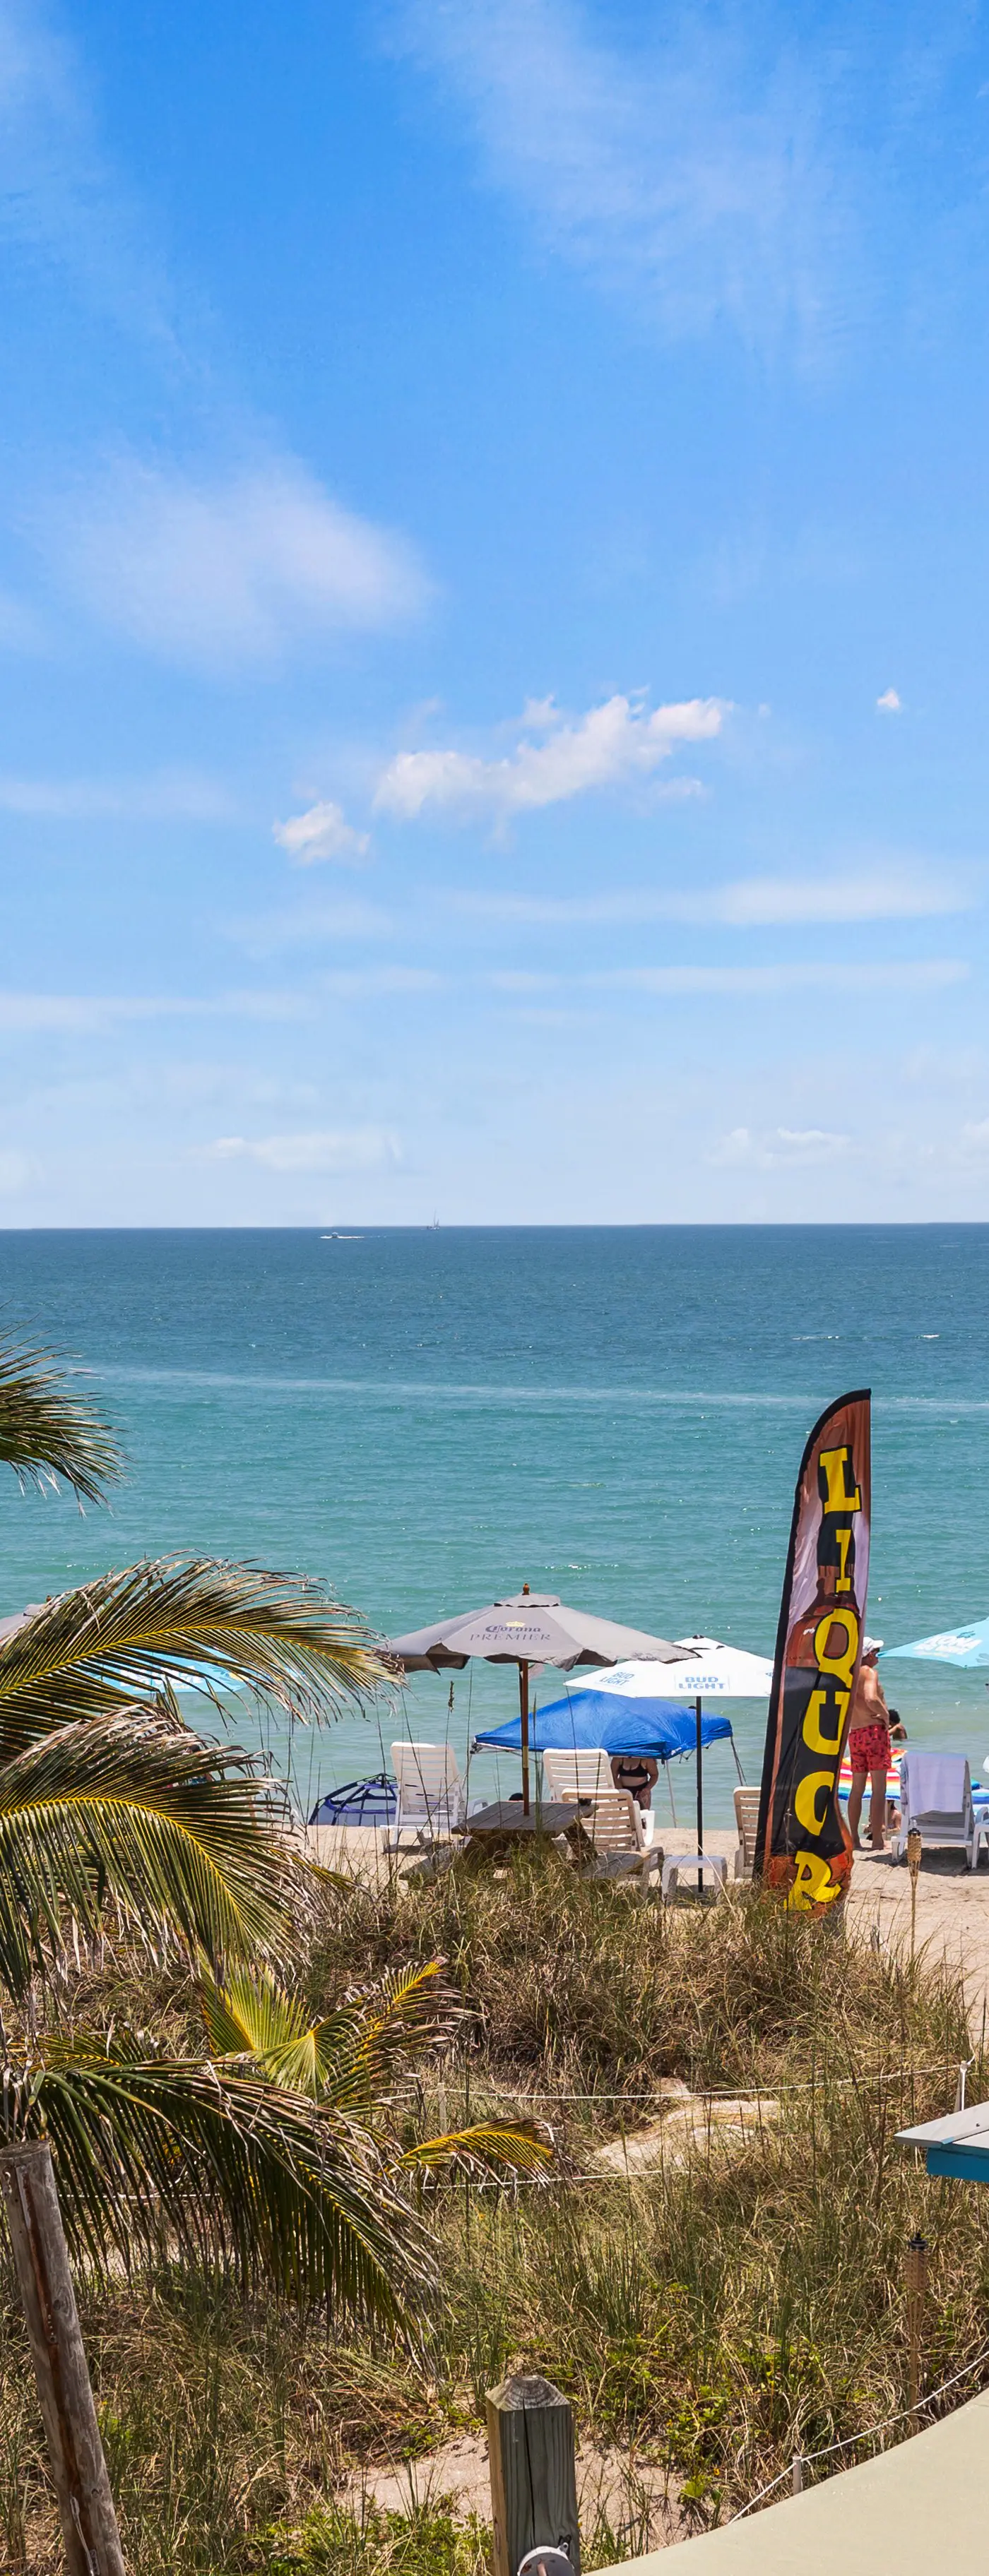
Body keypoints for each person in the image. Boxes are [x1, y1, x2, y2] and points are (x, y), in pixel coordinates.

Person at [846, 1640, 891, 1852]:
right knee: (879, 1789)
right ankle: (877, 1841)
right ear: (869, 1654)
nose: (878, 1657)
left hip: (854, 1734)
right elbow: (871, 1698)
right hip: (873, 1733)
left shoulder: (848, 1673)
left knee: (857, 1789)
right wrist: (886, 1715)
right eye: (877, 1652)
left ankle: (854, 1839)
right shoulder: (868, 1672)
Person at [610, 1752, 659, 1844]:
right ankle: (629, 1841)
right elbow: (613, 1774)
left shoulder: (646, 1758)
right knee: (625, 1820)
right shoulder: (619, 1757)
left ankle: (640, 1841)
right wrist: (620, 1788)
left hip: (641, 1791)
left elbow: (655, 1775)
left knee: (642, 1820)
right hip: (624, 1791)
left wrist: (647, 1789)